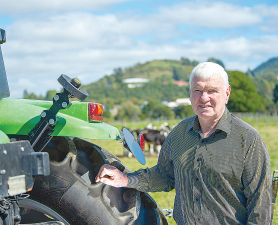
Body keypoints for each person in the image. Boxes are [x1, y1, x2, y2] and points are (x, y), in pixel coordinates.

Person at [95, 62, 272, 224]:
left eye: (212, 91)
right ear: (190, 94)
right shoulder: (179, 133)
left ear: (227, 93)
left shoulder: (248, 140)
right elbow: (163, 176)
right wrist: (125, 178)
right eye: (197, 90)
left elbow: (261, 204)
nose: (204, 98)